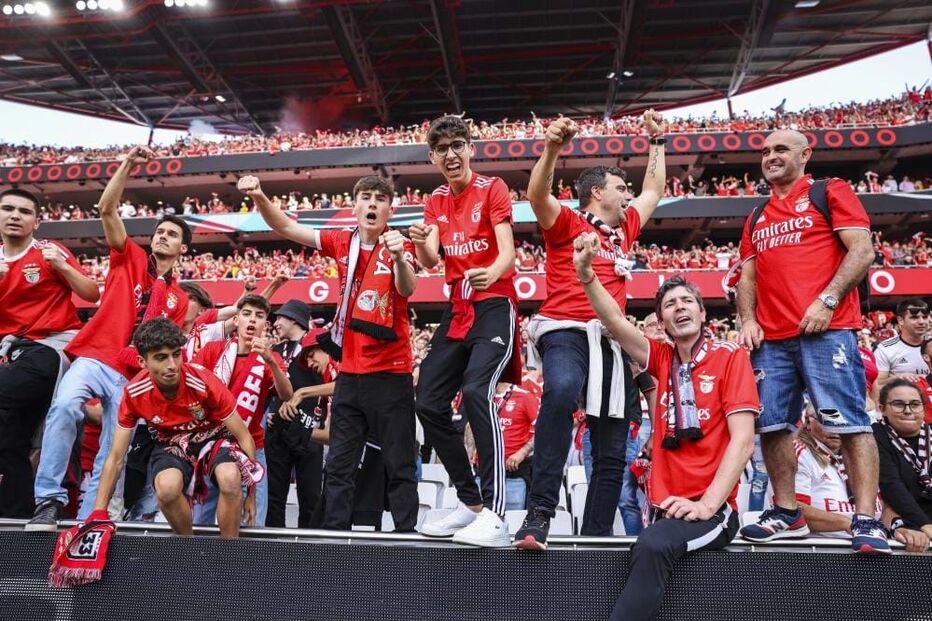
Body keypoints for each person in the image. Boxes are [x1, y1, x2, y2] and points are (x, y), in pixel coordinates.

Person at [573, 242, 757, 621]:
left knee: (653, 545)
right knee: (649, 551)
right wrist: (587, 276)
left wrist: (707, 505)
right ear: (663, 321)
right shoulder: (660, 358)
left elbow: (742, 442)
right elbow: (615, 322)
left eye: (687, 301)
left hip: (712, 510)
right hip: (666, 511)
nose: (679, 307)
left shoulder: (730, 356)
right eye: (670, 305)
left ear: (702, 313)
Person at [514, 111, 666, 549]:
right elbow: (537, 195)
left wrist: (657, 142)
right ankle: (539, 514)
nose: (628, 194)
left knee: (612, 444)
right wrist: (552, 148)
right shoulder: (567, 222)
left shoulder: (625, 229)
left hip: (611, 341)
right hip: (565, 328)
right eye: (620, 187)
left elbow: (654, 190)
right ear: (597, 192)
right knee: (561, 391)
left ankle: (596, 537)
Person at [735, 129, 889, 553]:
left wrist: (827, 300)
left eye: (781, 149)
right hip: (772, 339)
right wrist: (747, 319)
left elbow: (862, 251)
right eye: (765, 151)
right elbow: (747, 277)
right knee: (773, 426)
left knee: (850, 423)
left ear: (805, 154)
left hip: (827, 330)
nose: (770, 156)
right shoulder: (757, 214)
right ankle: (787, 512)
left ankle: (866, 519)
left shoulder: (829, 191)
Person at [240, 173, 420, 532]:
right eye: (365, 197)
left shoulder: (399, 243)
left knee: (399, 462)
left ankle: (407, 537)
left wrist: (399, 257)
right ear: (355, 206)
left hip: (392, 371)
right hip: (351, 372)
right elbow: (286, 227)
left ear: (390, 209)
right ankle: (335, 539)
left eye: (380, 199)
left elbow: (407, 287)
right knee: (339, 463)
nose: (372, 204)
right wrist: (259, 195)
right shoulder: (341, 240)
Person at [27, 146, 191, 530]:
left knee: (114, 447)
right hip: (97, 355)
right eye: (160, 231)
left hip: (132, 377)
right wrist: (128, 164)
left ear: (183, 248)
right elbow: (106, 209)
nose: (163, 237)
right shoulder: (129, 256)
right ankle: (48, 500)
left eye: (172, 234)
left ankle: (92, 515)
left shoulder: (179, 299)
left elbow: (165, 350)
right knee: (64, 406)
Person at [409, 115, 521, 547]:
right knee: (427, 401)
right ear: (432, 157)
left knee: (476, 391)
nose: (451, 154)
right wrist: (420, 240)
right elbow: (430, 260)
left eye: (458, 145)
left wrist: (490, 272)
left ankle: (496, 514)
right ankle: (470, 502)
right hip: (456, 308)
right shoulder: (435, 199)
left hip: (494, 303)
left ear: (471, 148)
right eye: (442, 149)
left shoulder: (492, 188)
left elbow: (507, 253)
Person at [91, 318, 259, 538]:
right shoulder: (134, 394)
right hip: (172, 444)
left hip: (214, 438)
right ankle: (187, 546)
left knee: (229, 477)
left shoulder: (204, 381)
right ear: (142, 362)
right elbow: (115, 457)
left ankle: (228, 549)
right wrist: (99, 512)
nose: (172, 365)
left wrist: (251, 495)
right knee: (167, 488)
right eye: (161, 357)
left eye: (176, 354)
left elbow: (244, 437)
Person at [0, 189, 100, 517]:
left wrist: (62, 266)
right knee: (8, 439)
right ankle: (14, 517)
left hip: (52, 347)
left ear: (36, 222)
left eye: (24, 211)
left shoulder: (49, 251)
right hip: (13, 352)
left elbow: (91, 293)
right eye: (8, 209)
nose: (15, 216)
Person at [193, 294, 292, 527]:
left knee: (252, 525)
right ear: (236, 320)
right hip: (210, 445)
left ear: (266, 324)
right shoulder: (211, 350)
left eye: (259, 316)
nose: (252, 320)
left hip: (251, 448)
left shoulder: (270, 359)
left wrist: (271, 361)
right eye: (246, 314)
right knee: (200, 523)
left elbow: (287, 395)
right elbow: (192, 391)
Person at [264, 306, 328, 528]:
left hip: (309, 430)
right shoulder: (274, 350)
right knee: (274, 495)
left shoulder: (317, 348)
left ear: (294, 319)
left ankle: (307, 545)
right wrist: (269, 414)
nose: (275, 323)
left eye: (280, 318)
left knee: (310, 496)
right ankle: (273, 544)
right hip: (278, 431)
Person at [780, 405, 883, 539]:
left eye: (843, 420)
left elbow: (884, 505)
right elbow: (791, 511)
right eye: (827, 421)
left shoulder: (861, 457)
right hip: (820, 547)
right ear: (808, 422)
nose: (836, 428)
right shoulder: (798, 453)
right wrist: (848, 524)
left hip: (867, 542)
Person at [873, 379, 932, 551]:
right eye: (898, 404)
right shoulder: (875, 435)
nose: (908, 411)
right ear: (882, 408)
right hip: (906, 526)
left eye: (915, 404)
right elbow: (890, 484)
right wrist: (925, 524)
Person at [493, 381, 539, 510]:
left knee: (511, 518)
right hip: (484, 471)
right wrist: (470, 450)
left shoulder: (525, 396)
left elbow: (543, 429)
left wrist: (522, 452)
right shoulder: (482, 395)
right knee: (479, 518)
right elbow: (471, 425)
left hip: (513, 472)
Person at [875, 299, 930, 387]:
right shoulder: (886, 349)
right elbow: (877, 385)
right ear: (900, 320)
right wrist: (897, 378)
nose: (921, 322)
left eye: (925, 317)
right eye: (914, 317)